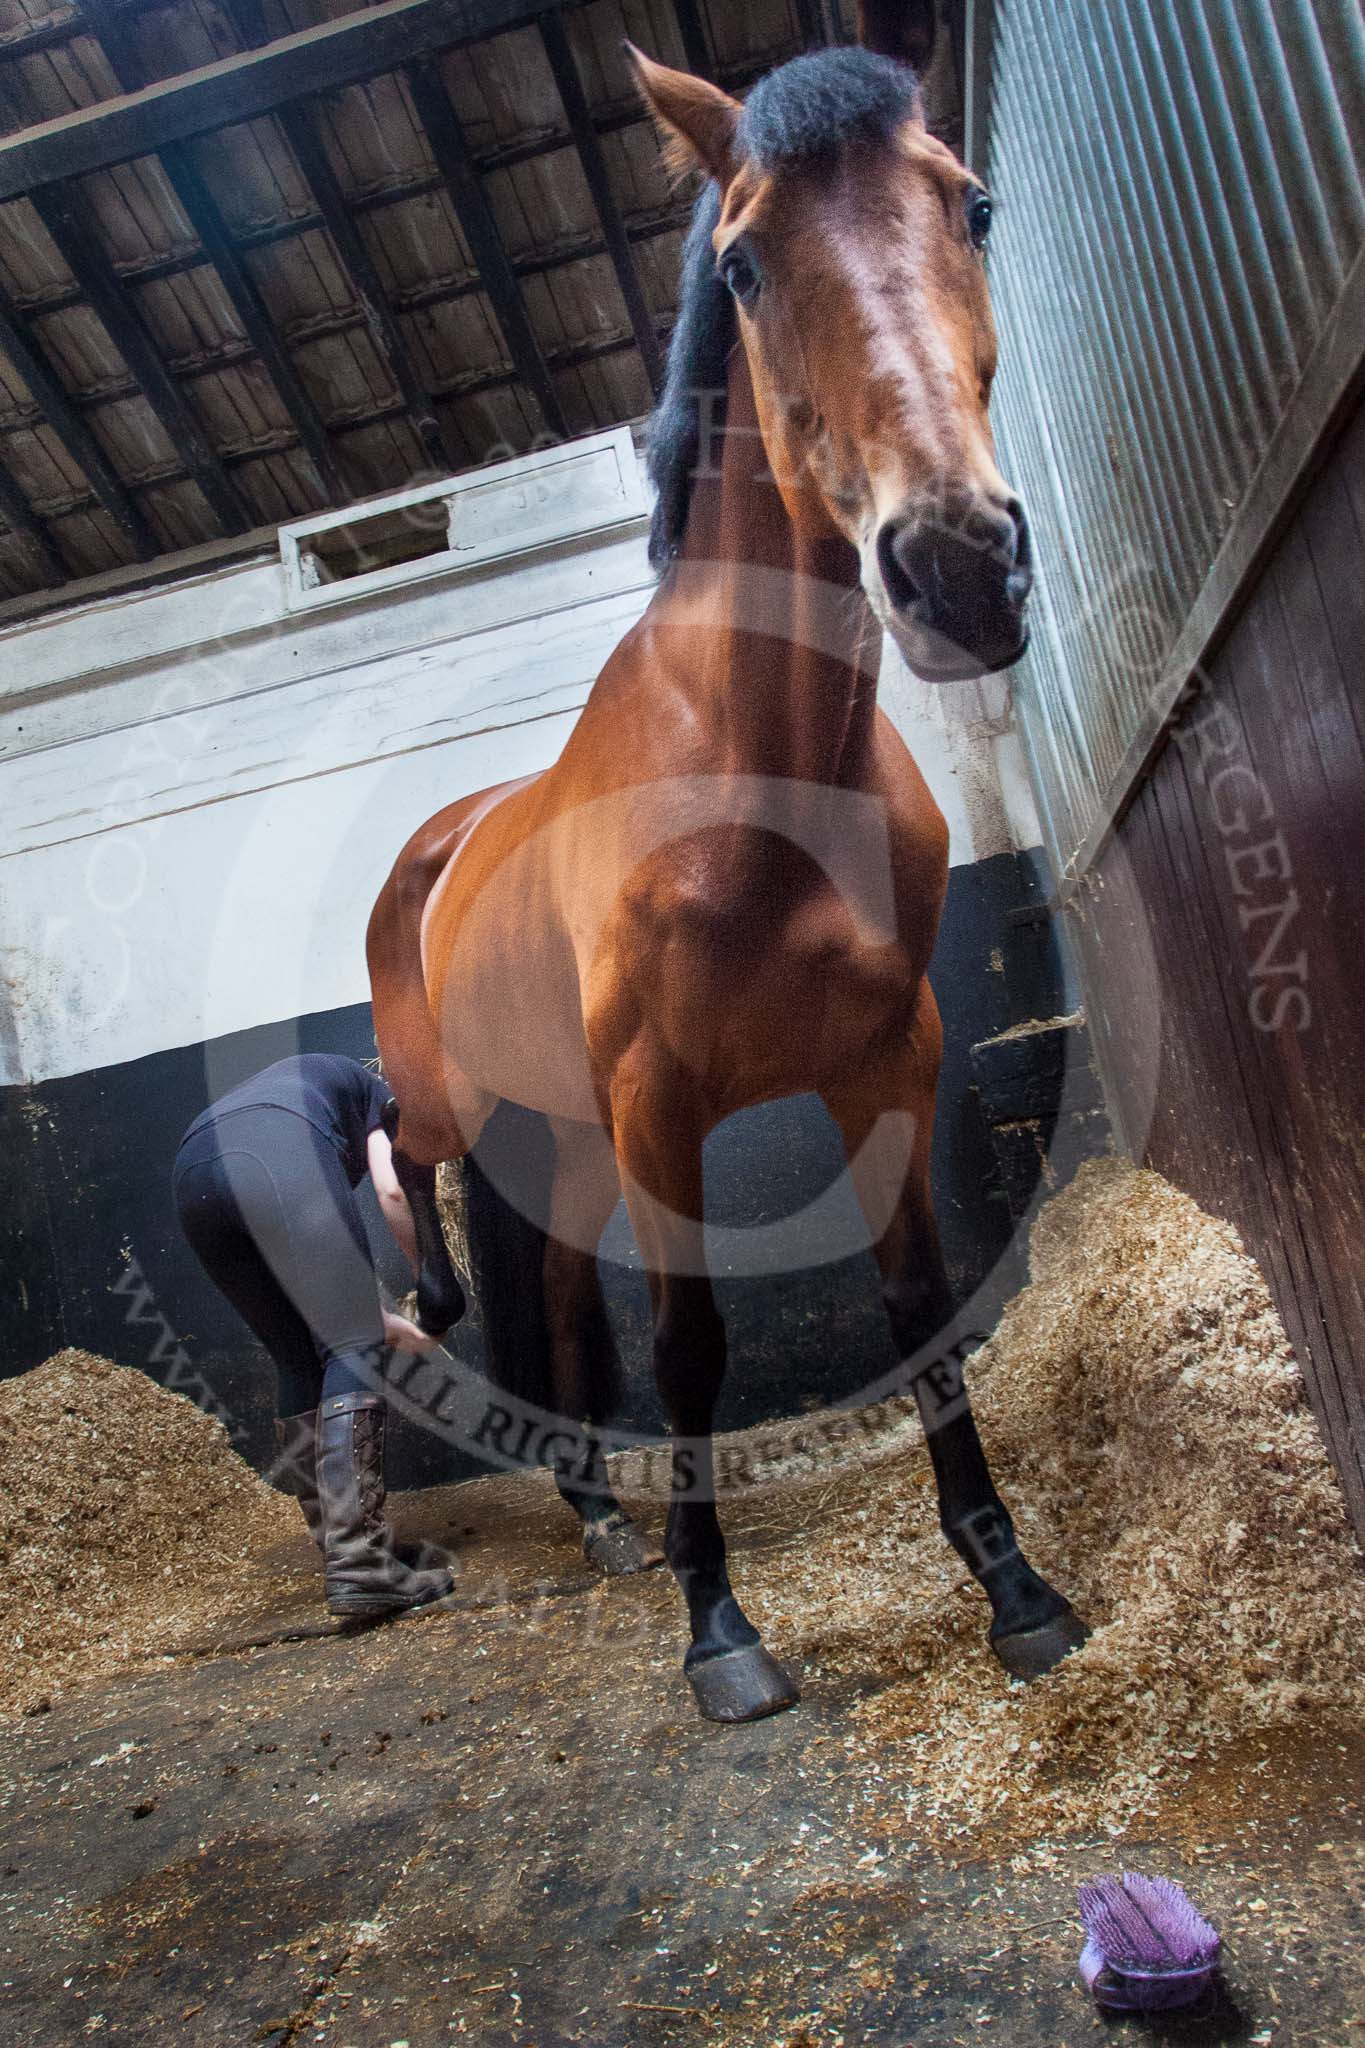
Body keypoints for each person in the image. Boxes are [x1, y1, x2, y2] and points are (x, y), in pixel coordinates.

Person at [172, 1052, 456, 1617]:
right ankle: (360, 1561)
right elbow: (392, 1190)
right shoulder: (380, 1096)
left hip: (193, 1173)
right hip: (279, 1154)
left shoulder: (310, 1081)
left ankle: (340, 1545)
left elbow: (324, 1289)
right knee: (352, 1348)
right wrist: (427, 1284)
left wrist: (371, 1319)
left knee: (299, 1357)